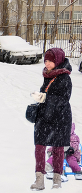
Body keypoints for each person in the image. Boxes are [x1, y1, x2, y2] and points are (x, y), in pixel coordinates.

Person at [30, 48, 72, 190]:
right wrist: (39, 97)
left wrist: (46, 98)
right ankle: (39, 180)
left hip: (60, 117)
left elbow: (64, 100)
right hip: (44, 117)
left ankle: (56, 180)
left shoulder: (65, 78)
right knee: (39, 146)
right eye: (46, 61)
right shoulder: (48, 75)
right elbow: (46, 94)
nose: (46, 64)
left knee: (58, 148)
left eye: (50, 61)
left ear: (57, 61)